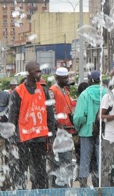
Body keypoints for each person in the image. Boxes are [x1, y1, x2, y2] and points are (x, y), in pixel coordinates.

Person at [8, 61, 56, 189]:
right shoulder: (18, 92)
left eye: (39, 71)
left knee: (40, 172)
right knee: (21, 170)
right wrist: (12, 140)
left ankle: (40, 192)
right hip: (23, 139)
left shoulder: (44, 91)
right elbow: (12, 118)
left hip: (40, 138)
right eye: (36, 71)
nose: (39, 74)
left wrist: (51, 138)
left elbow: (50, 116)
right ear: (28, 73)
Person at [73, 70, 106, 187]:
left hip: (86, 131)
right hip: (103, 132)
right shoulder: (107, 92)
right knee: (99, 159)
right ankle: (98, 185)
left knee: (85, 160)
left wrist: (78, 127)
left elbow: (79, 116)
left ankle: (83, 186)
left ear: (90, 81)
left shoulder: (85, 94)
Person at [48, 67, 77, 187]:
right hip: (58, 132)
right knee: (58, 161)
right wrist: (57, 123)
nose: (66, 80)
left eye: (67, 77)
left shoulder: (65, 90)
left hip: (67, 130)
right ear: (57, 78)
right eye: (64, 78)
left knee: (67, 161)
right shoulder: (52, 90)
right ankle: (57, 189)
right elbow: (50, 110)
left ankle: (65, 186)